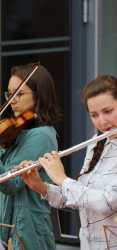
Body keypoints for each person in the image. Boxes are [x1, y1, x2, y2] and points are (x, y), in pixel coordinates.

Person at [22, 75, 117, 250]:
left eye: (108, 111)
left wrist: (61, 178)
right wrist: (40, 186)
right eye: (94, 115)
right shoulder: (97, 142)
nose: (102, 122)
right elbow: (82, 198)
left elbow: (106, 203)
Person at [0, 63, 60, 249]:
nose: (12, 100)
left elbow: (12, 183)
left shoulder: (41, 135)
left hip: (27, 232)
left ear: (38, 94)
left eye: (19, 93)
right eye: (9, 94)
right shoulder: (16, 132)